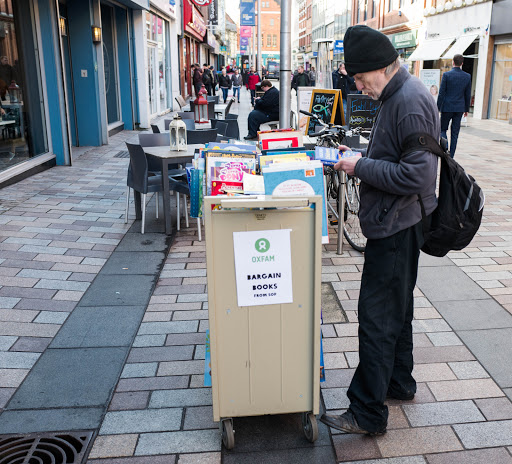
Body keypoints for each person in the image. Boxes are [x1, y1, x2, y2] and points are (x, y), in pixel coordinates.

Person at [319, 25, 439, 436]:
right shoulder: (396, 95)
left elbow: (419, 175)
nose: (356, 85)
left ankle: (367, 412)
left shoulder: (408, 101)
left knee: (376, 317)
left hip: (398, 225)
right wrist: (360, 157)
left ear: (381, 68)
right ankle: (398, 383)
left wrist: (358, 166)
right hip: (398, 222)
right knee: (396, 309)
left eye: (358, 77)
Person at [437, 54, 471, 158]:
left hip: (447, 107)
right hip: (459, 108)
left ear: (453, 62)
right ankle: (451, 155)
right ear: (462, 63)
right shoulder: (467, 76)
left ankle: (445, 147)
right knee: (455, 133)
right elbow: (467, 94)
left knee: (442, 129)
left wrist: (437, 107)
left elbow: (442, 93)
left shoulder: (447, 75)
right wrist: (466, 109)